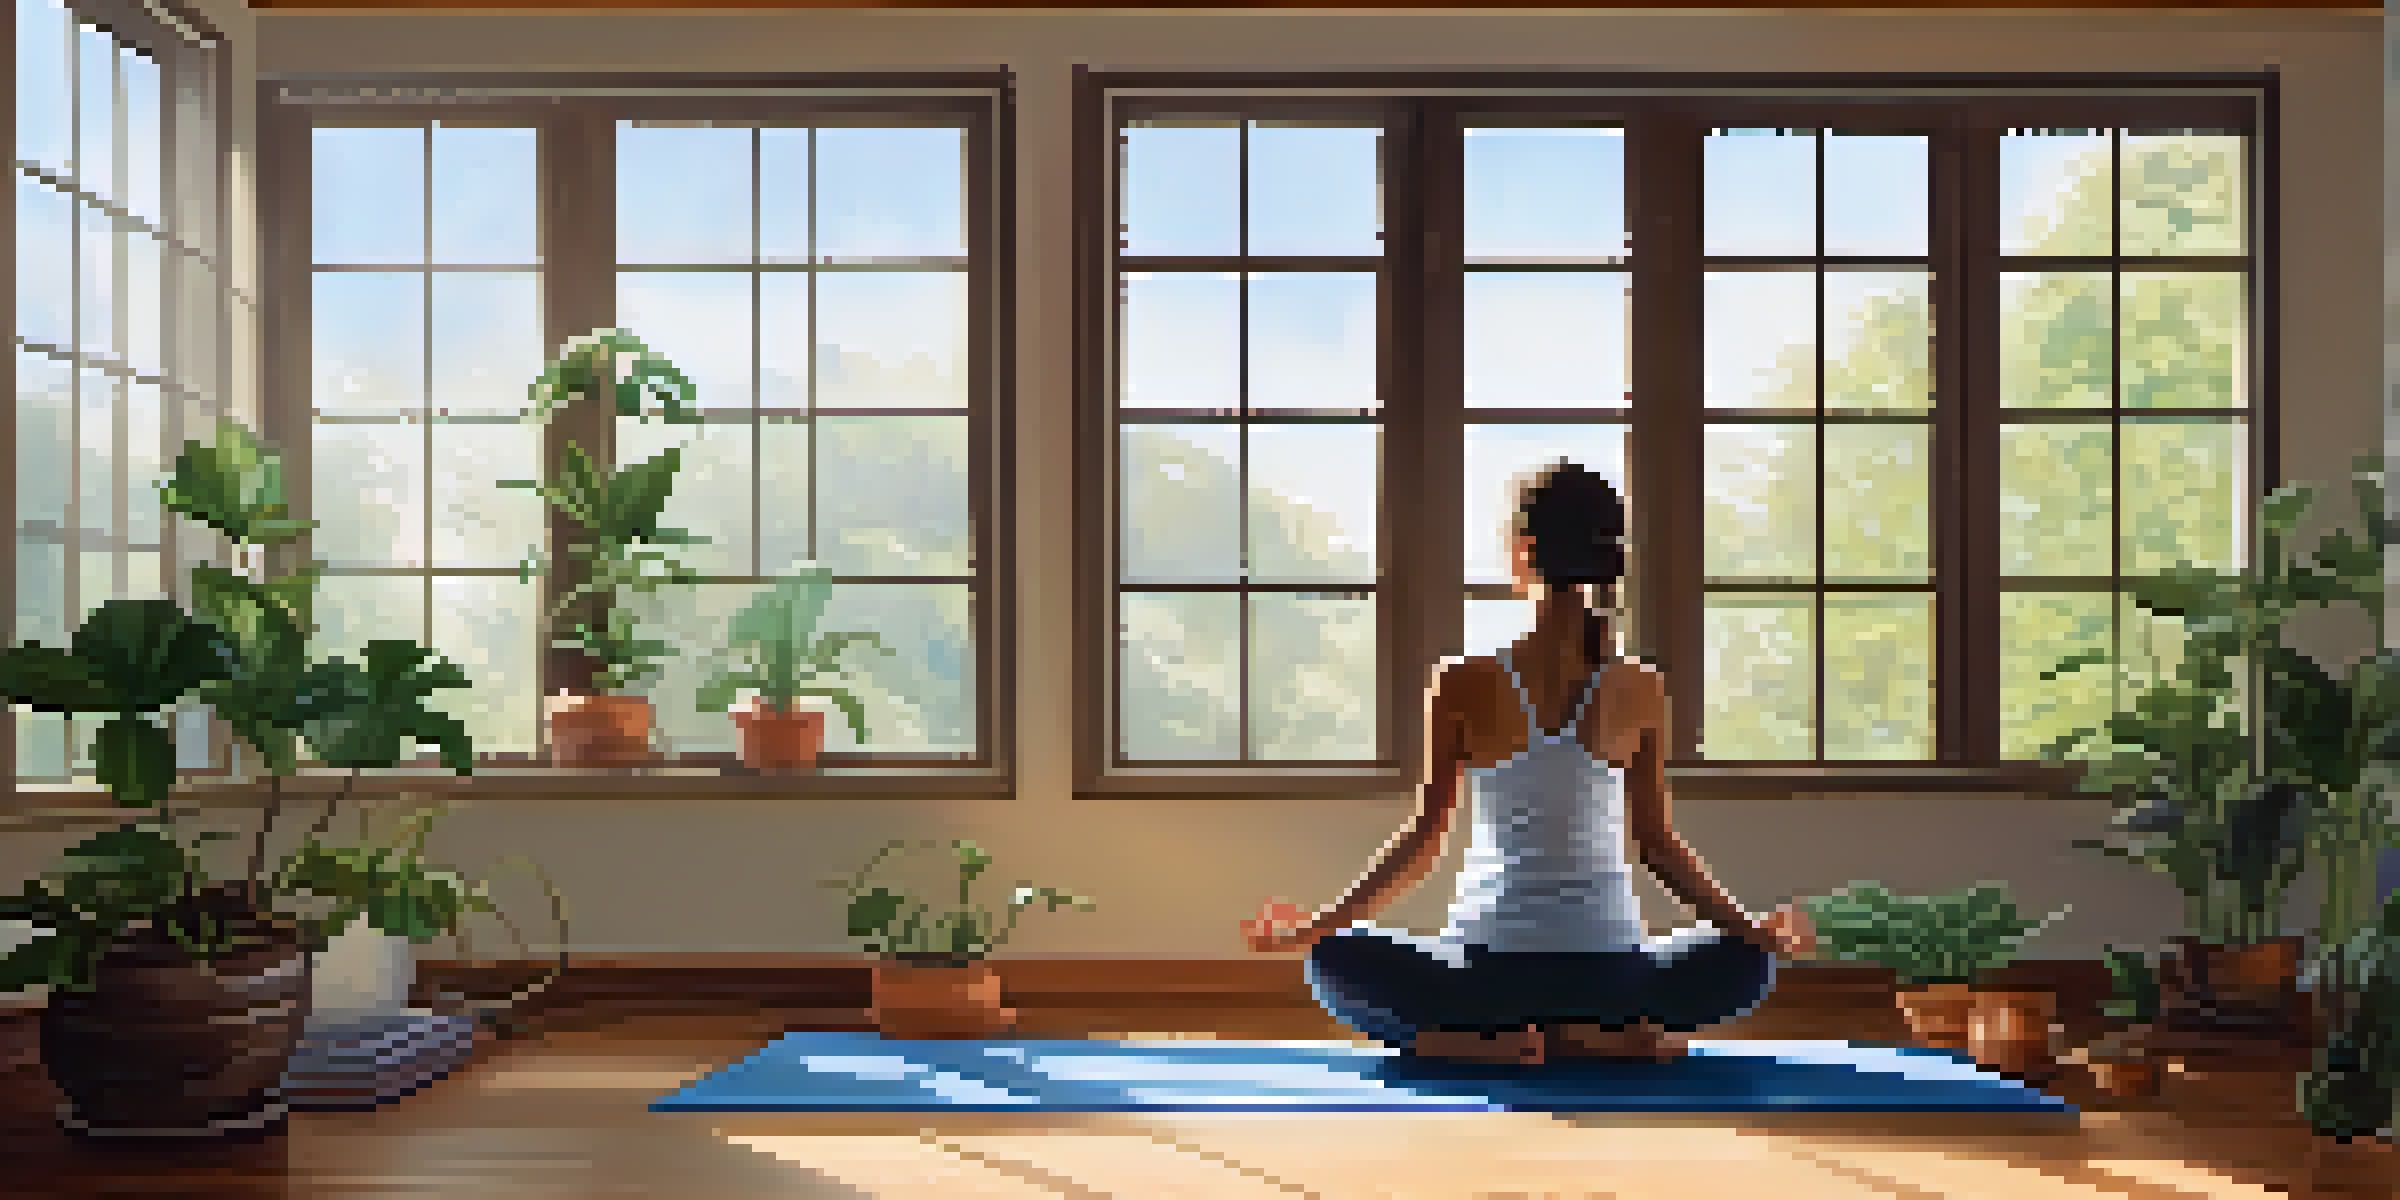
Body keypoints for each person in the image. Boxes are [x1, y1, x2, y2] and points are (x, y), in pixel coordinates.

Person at [1239, 460, 1816, 1065]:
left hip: (1483, 979)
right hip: (1612, 980)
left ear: (1523, 551)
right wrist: (1754, 931)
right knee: (1745, 966)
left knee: (1335, 958)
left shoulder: (1461, 681)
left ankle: (1472, 1043)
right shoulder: (1640, 687)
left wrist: (1314, 929)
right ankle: (1596, 1039)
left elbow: (1422, 845)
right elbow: (1658, 847)